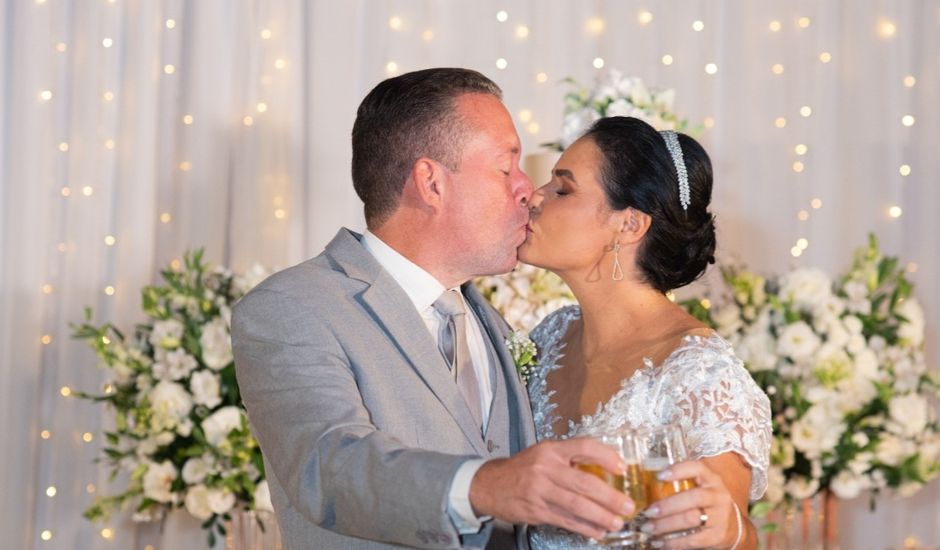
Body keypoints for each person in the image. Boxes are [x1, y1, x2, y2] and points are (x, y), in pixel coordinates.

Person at [232, 68, 633, 550]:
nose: (528, 189)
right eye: (507, 168)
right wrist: (487, 486)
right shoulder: (292, 308)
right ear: (431, 182)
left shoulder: (497, 326)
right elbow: (330, 466)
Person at [519, 116, 772, 550]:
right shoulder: (549, 337)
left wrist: (726, 528)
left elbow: (732, 533)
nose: (533, 196)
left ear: (630, 225)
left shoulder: (701, 375)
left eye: (563, 189)